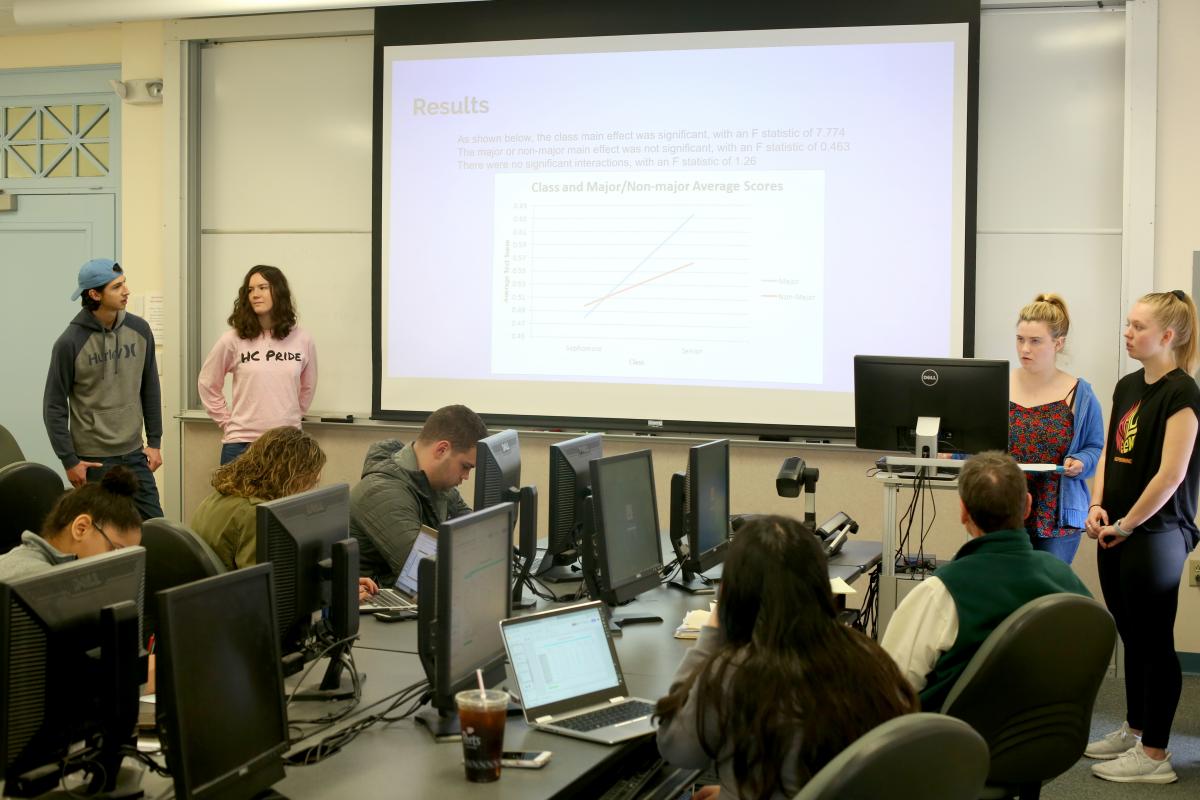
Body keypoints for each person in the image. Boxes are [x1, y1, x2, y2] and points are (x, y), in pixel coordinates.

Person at [655, 515, 916, 800]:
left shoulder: (736, 673)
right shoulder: (868, 657)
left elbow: (675, 748)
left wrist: (713, 631)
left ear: (736, 595)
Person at [1083, 290, 1200, 785]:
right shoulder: (1128, 384)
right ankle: (1134, 730)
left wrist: (1128, 524)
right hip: (1119, 529)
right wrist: (1096, 505)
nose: (1127, 333)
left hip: (1158, 532)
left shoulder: (1183, 393)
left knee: (1154, 643)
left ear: (1167, 336)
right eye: (1127, 324)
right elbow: (1111, 456)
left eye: (1137, 327)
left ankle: (1155, 756)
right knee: (1131, 637)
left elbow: (1171, 475)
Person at [881, 451, 1090, 712]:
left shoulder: (940, 593)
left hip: (956, 746)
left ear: (964, 512)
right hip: (1047, 742)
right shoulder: (1067, 580)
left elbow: (890, 693)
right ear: (1027, 506)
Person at [190, 426, 377, 603]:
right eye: (311, 481)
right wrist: (338, 595)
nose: (311, 489)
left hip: (210, 604)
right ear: (291, 476)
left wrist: (335, 583)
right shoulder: (255, 514)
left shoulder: (225, 494)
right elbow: (266, 595)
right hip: (232, 613)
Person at [43, 258, 163, 520]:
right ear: (95, 294)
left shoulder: (140, 330)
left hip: (134, 454)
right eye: (117, 286)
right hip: (93, 460)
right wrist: (70, 461)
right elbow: (53, 406)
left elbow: (150, 388)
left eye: (124, 283)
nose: (126, 291)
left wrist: (154, 442)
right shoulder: (69, 343)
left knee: (155, 528)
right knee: (98, 537)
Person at [1007, 294, 1104, 563]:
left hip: (1056, 515)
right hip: (1005, 509)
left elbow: (1096, 448)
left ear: (1058, 343)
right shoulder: (998, 384)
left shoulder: (1080, 394)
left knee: (1047, 596)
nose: (1025, 348)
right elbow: (979, 440)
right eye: (1020, 339)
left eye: (1035, 341)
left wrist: (1081, 462)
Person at [350, 404, 487, 586]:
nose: (466, 476)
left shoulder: (433, 482)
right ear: (441, 450)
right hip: (375, 605)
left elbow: (473, 531)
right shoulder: (383, 493)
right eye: (465, 466)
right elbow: (424, 574)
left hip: (405, 599)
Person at [197, 265, 317, 465]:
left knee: (288, 498)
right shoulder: (232, 339)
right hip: (241, 445)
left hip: (287, 444)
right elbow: (207, 383)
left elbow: (308, 387)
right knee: (236, 498)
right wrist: (226, 422)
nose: (255, 295)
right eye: (250, 290)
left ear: (278, 292)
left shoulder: (302, 339)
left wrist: (292, 419)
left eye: (262, 287)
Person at [0, 466, 142, 583]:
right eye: (115, 551)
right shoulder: (28, 579)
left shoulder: (72, 578)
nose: (119, 570)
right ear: (81, 528)